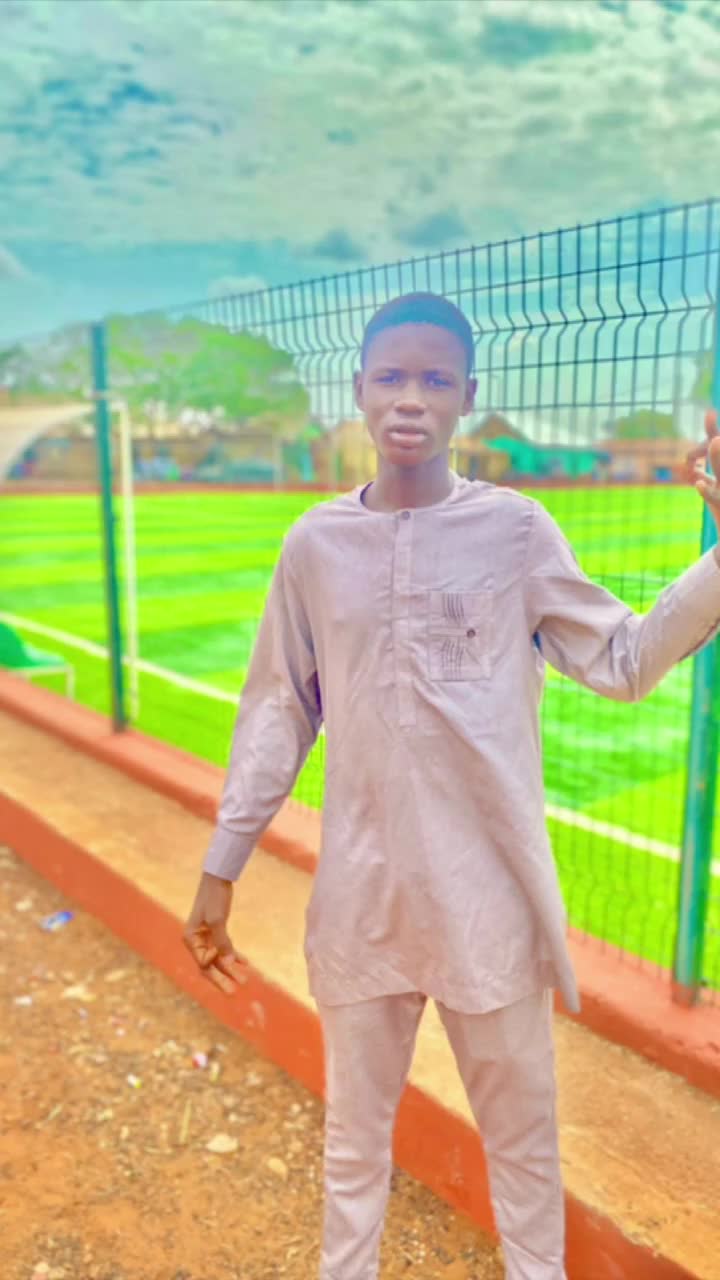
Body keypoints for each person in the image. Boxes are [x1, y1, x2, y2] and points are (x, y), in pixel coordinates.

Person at [183, 292, 720, 1280]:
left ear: (468, 396)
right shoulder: (313, 546)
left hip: (490, 907)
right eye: (391, 376)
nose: (410, 399)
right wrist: (222, 865)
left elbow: (626, 658)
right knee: (354, 1152)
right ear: (358, 389)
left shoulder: (514, 531)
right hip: (364, 900)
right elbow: (278, 711)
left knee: (524, 1153)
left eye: (435, 379)